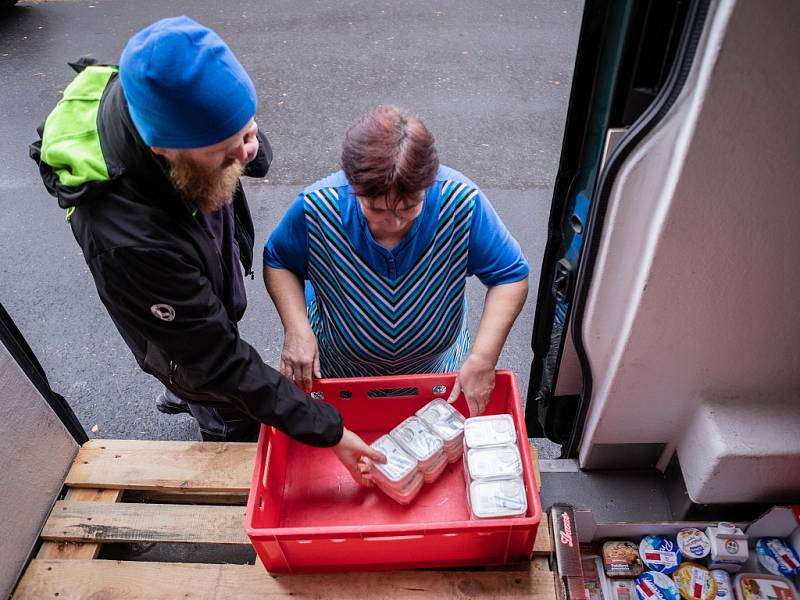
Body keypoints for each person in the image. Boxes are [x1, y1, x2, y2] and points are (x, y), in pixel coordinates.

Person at [30, 16, 382, 485]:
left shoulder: (168, 94)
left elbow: (232, 132)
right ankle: (207, 415)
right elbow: (218, 358)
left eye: (248, 130)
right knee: (216, 393)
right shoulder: (127, 239)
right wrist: (329, 430)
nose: (247, 151)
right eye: (226, 149)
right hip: (179, 326)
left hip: (193, 278)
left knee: (207, 325)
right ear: (165, 150)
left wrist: (243, 141)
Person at [264, 105, 529, 417]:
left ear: (429, 184)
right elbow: (279, 260)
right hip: (341, 373)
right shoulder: (316, 209)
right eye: (376, 209)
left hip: (436, 373)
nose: (393, 223)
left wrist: (484, 358)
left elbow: (510, 275)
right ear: (353, 186)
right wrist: (295, 329)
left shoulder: (462, 203)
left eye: (409, 207)